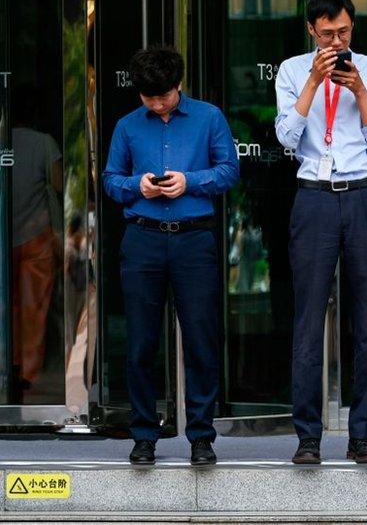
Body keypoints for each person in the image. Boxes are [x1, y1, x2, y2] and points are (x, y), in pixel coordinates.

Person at [102, 46, 239, 465]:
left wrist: (190, 181)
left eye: (163, 95)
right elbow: (110, 179)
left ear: (178, 85)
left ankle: (201, 436)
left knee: (201, 339)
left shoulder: (209, 117)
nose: (158, 104)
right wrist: (136, 187)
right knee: (141, 341)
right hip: (142, 238)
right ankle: (144, 434)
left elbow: (230, 170)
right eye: (149, 98)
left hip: (193, 239)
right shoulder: (127, 126)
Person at [274, 0, 367, 465]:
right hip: (314, 199)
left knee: (365, 321)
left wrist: (358, 89)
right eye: (328, 34)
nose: (337, 41)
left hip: (360, 195)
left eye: (344, 32)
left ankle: (360, 435)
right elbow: (286, 137)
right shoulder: (289, 70)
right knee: (307, 322)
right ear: (311, 32)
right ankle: (308, 437)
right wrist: (312, 83)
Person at [9, 85, 62, 403]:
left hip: (6, 237)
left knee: (7, 308)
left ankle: (7, 366)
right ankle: (27, 373)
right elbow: (58, 184)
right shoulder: (44, 143)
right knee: (34, 310)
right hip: (36, 236)